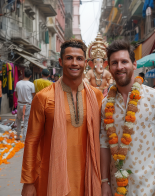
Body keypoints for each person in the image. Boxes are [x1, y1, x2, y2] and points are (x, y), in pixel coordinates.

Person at [21, 39, 104, 196]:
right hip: (51, 176)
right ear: (60, 61)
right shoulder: (43, 97)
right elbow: (32, 141)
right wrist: (28, 182)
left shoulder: (97, 96)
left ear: (85, 63)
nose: (74, 63)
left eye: (79, 58)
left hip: (87, 177)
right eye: (69, 58)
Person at [100, 40, 155, 196]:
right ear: (109, 68)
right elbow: (104, 144)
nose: (119, 66)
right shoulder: (105, 105)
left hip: (150, 187)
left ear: (134, 64)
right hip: (117, 188)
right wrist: (104, 181)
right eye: (114, 63)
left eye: (124, 61)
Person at [15, 68, 35, 142]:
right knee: (26, 122)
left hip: (20, 104)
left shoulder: (18, 83)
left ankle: (18, 136)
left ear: (23, 75)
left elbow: (16, 94)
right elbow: (33, 95)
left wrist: (20, 98)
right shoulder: (31, 84)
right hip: (28, 105)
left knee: (19, 120)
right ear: (30, 76)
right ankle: (24, 138)